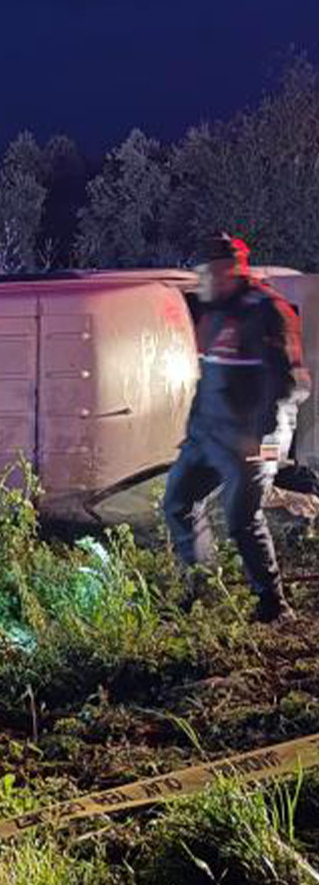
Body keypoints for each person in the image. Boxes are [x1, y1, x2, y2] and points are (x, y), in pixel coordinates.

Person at [163, 233, 310, 623]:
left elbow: (290, 386)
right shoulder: (213, 314)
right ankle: (199, 588)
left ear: (235, 269)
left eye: (214, 272)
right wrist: (194, 431)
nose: (207, 281)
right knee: (179, 502)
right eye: (204, 273)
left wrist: (262, 442)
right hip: (210, 436)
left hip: (257, 440)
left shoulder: (267, 311)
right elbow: (206, 379)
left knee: (241, 515)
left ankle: (274, 606)